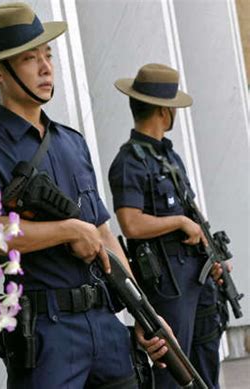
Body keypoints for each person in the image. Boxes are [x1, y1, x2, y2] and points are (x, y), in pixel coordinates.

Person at [0, 3, 168, 388]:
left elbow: (103, 233)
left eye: (47, 55)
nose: (46, 67)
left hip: (105, 322)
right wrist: (68, 230)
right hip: (47, 332)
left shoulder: (72, 142)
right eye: (29, 58)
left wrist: (144, 312)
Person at [108, 63, 227, 388]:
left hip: (197, 277)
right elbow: (130, 223)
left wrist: (212, 253)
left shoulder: (169, 156)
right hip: (168, 283)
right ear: (163, 111)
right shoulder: (129, 161)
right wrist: (179, 222)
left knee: (206, 363)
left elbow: (192, 211)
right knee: (175, 372)